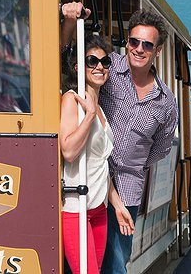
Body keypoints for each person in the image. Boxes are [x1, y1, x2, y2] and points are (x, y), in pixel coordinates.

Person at [61, 5, 179, 274]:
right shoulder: (107, 66)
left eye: (147, 45)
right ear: (127, 42)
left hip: (123, 190)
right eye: (134, 41)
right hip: (84, 185)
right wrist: (69, 19)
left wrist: (131, 165)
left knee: (115, 266)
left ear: (156, 51)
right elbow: (67, 56)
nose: (138, 49)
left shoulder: (165, 101)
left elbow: (160, 148)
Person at [60, 35, 115, 274]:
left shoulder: (100, 107)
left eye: (105, 62)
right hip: (76, 209)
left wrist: (118, 205)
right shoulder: (72, 100)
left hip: (99, 210)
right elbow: (69, 151)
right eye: (92, 61)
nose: (99, 66)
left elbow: (100, 164)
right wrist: (90, 115)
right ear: (78, 66)